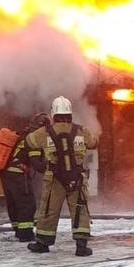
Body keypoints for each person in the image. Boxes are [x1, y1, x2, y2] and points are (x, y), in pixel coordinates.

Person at [24, 97, 98, 256]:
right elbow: (93, 142)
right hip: (77, 178)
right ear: (70, 113)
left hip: (53, 178)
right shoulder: (81, 130)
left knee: (49, 209)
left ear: (53, 114)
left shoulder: (44, 132)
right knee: (80, 209)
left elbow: (29, 142)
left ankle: (43, 243)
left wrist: (36, 128)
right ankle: (81, 246)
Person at [0, 114, 47, 242]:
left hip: (5, 173)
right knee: (27, 204)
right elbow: (38, 165)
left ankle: (18, 230)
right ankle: (26, 234)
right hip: (18, 174)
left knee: (14, 203)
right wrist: (51, 165)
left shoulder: (22, 133)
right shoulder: (34, 139)